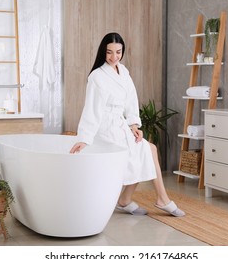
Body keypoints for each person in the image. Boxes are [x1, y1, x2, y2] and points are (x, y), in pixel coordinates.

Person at [70, 32, 185, 217]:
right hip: (106, 128)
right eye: (109, 52)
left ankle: (129, 200)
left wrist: (133, 125)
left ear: (123, 51)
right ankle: (158, 199)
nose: (114, 57)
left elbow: (131, 99)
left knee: (147, 150)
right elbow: (92, 109)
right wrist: (84, 137)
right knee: (146, 151)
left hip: (121, 125)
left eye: (118, 52)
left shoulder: (123, 72)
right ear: (103, 52)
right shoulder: (97, 77)